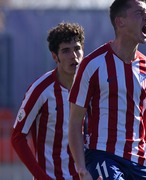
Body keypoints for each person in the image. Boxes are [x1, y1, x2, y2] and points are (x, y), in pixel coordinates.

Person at [68, 0, 146, 180]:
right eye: (140, 12)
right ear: (120, 22)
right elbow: (75, 122)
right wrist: (81, 168)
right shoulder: (93, 64)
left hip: (140, 163)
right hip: (103, 156)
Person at [11, 22, 85, 179]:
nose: (73, 55)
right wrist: (41, 176)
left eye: (77, 48)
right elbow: (18, 136)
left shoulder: (91, 86)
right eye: (66, 51)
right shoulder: (41, 89)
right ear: (54, 56)